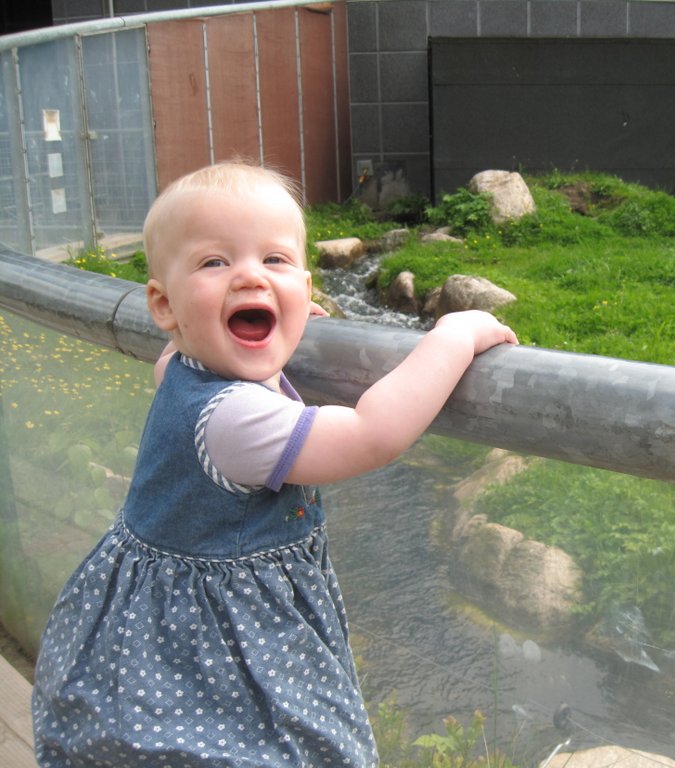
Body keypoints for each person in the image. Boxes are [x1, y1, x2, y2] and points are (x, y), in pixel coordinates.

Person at [32, 161, 518, 767]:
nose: (250, 277)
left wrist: (274, 322)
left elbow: (201, 348)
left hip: (157, 630)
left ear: (307, 290)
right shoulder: (233, 419)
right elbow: (373, 433)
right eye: (215, 262)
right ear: (164, 303)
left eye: (275, 261)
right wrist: (451, 337)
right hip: (222, 648)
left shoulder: (179, 366)